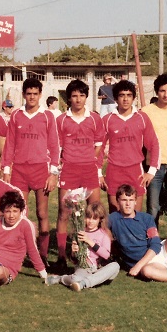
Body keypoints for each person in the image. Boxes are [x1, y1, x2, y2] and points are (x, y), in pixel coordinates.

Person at [2, 78, 60, 266]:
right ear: (24, 95)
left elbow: (54, 145)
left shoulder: (47, 116)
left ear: (40, 95)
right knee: (19, 213)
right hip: (19, 170)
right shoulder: (16, 115)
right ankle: (19, 253)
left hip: (41, 170)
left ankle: (42, 256)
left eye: (35, 94)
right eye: (29, 94)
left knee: (42, 213)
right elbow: (10, 144)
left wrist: (53, 173)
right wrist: (6, 168)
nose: (32, 97)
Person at [55, 79, 104, 265]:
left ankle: (94, 254)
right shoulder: (61, 120)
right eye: (74, 96)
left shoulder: (95, 119)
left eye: (81, 95)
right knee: (64, 213)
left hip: (89, 170)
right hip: (69, 171)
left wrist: (89, 159)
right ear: (69, 98)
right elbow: (57, 147)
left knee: (95, 211)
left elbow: (98, 144)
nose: (78, 99)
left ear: (86, 97)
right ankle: (61, 256)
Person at [101, 79, 159, 214]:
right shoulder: (107, 119)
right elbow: (99, 147)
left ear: (133, 97)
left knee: (135, 216)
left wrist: (151, 171)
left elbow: (154, 144)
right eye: (122, 95)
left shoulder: (142, 117)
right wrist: (98, 173)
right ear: (115, 98)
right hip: (114, 171)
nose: (125, 99)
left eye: (129, 95)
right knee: (115, 216)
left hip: (135, 171)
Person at [141, 74, 167, 232]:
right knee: (153, 208)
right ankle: (153, 241)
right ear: (156, 92)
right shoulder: (146, 112)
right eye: (162, 91)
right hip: (154, 167)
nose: (166, 94)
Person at [46, 203, 119, 291]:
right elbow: (74, 260)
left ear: (100, 220)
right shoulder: (80, 232)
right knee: (75, 279)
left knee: (115, 266)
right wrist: (73, 252)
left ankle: (85, 282)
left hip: (100, 269)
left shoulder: (103, 234)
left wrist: (89, 241)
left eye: (94, 218)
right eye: (88, 217)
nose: (90, 221)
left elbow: (106, 255)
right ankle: (63, 279)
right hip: (85, 268)